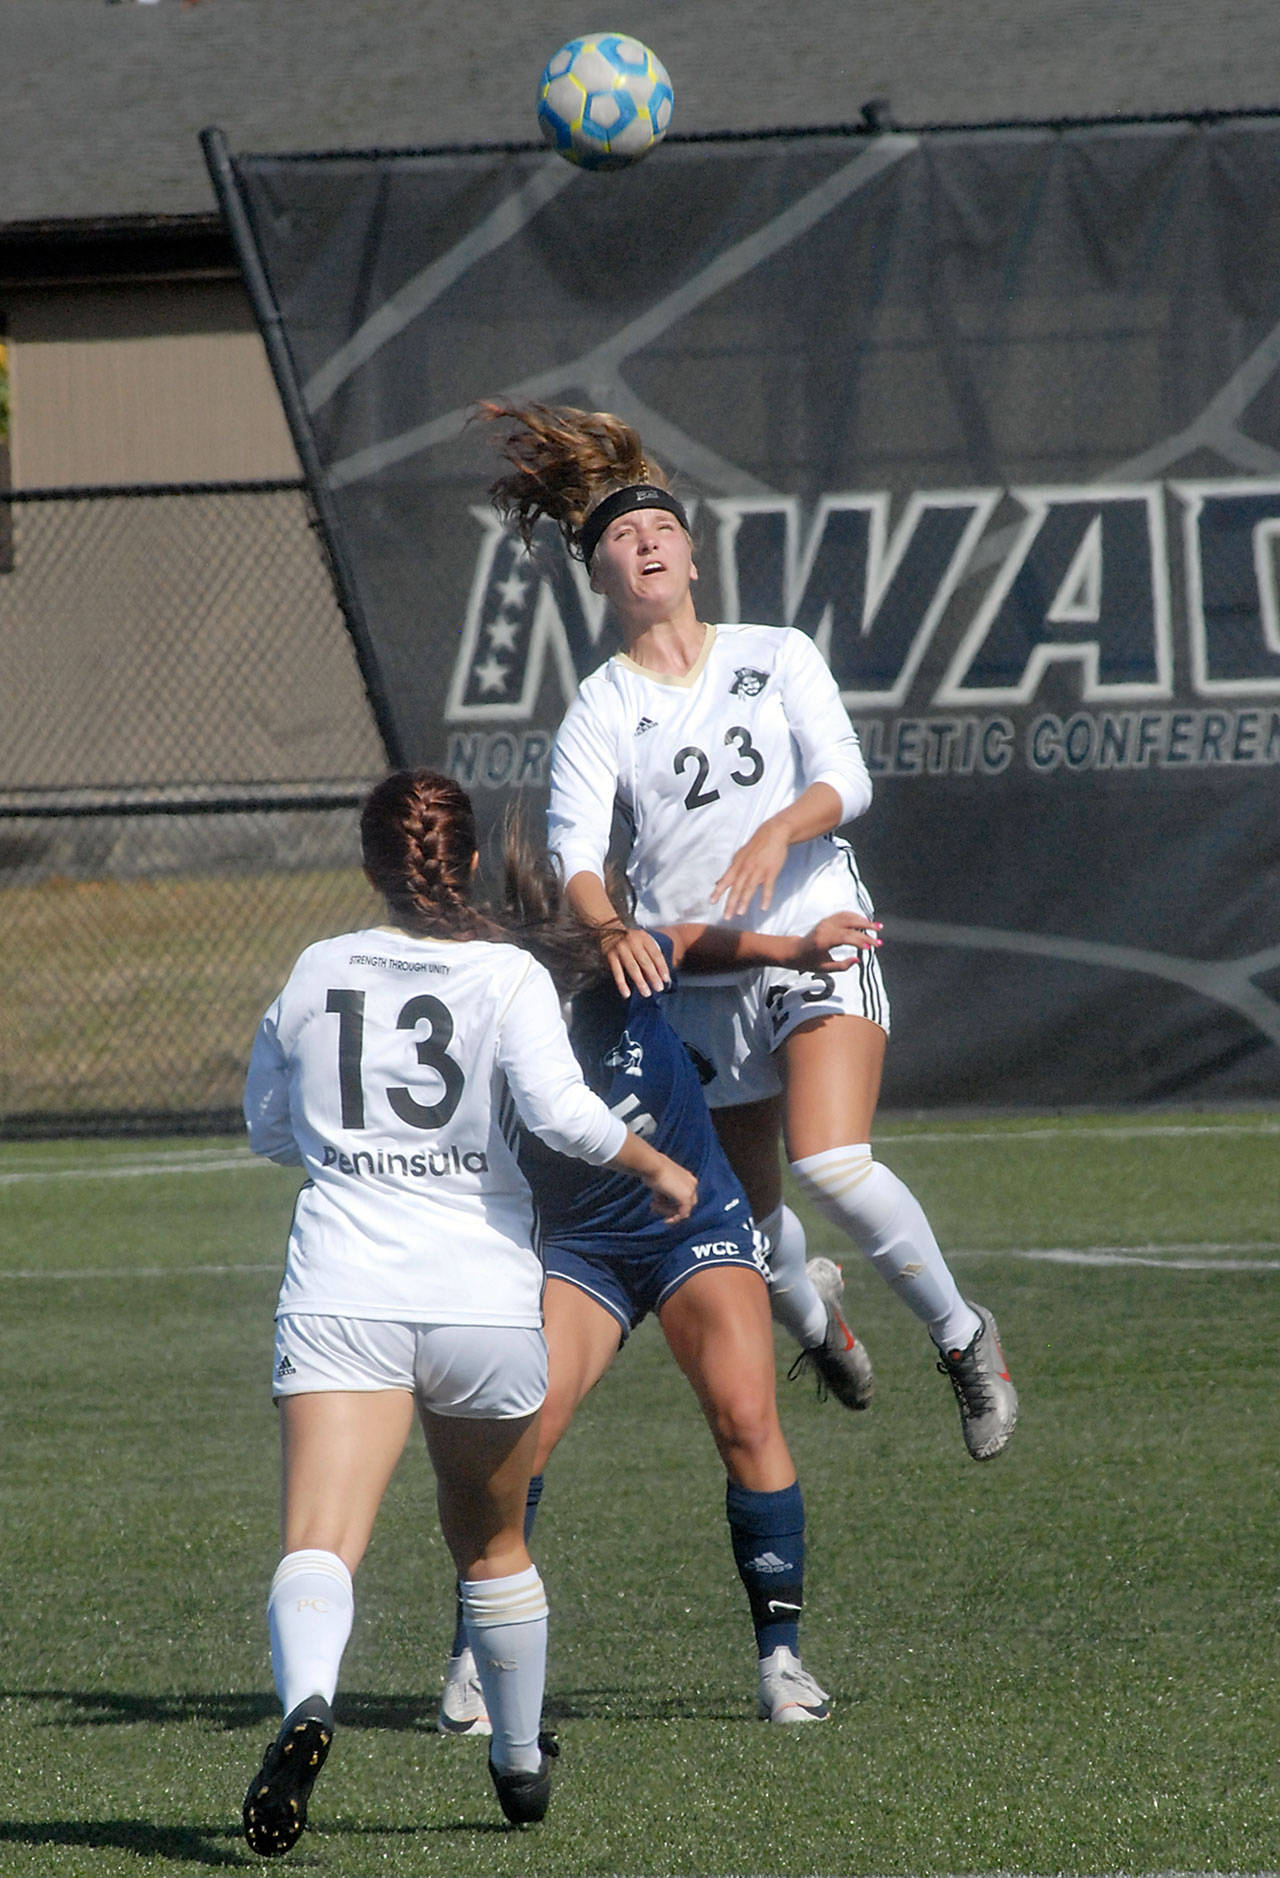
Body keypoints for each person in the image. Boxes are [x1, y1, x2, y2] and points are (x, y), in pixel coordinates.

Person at [478, 401, 1018, 1464]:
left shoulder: (776, 653)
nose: (644, 545)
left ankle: (963, 1342)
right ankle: (813, 1317)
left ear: (688, 548)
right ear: (597, 577)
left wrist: (779, 830)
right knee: (750, 1229)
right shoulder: (600, 708)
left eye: (658, 529)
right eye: (620, 539)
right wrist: (607, 927)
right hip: (701, 976)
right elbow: (578, 858)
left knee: (831, 1157)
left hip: (815, 931)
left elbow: (844, 780)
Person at [239, 769, 697, 1854]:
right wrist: (655, 1165)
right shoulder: (507, 974)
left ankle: (309, 1706)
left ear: (370, 868)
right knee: (490, 1544)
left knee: (320, 1540)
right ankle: (518, 1759)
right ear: (473, 860)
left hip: (343, 1287)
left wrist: (354, 1156)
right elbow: (555, 1111)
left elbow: (268, 1128)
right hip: (480, 1298)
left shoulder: (316, 969)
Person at [437, 829, 879, 1739]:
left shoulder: (618, 971)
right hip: (581, 1244)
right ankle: (473, 1657)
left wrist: (792, 949)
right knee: (522, 1434)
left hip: (694, 1223)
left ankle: (781, 1663)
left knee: (747, 1418)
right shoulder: (480, 1014)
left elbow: (687, 938)